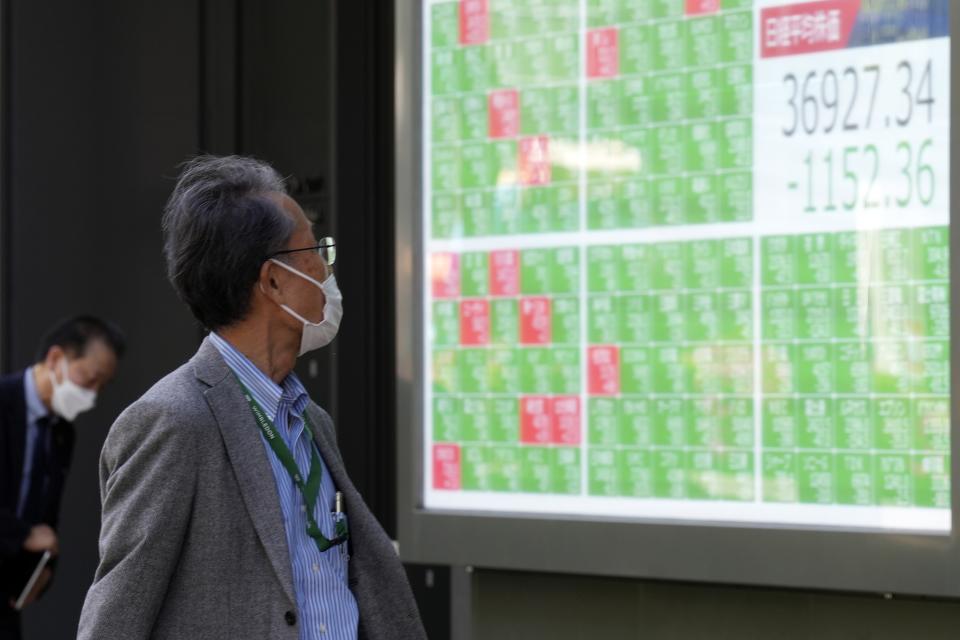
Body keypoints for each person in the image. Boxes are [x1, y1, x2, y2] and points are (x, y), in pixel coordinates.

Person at [78, 155, 426, 640]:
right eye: (314, 249)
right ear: (274, 280)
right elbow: (116, 615)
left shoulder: (310, 419)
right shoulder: (173, 421)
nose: (326, 269)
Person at [0, 316, 125, 640]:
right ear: (56, 359)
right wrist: (22, 534)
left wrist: (41, 570)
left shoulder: (61, 433)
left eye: (102, 385)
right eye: (88, 378)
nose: (92, 395)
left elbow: (47, 516)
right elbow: (33, 530)